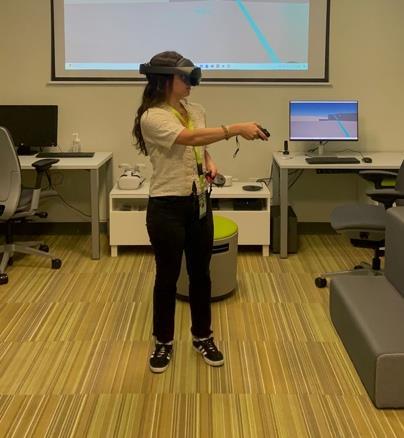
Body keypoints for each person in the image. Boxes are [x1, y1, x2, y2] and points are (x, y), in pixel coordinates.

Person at [132, 50, 268, 373]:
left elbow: (198, 146)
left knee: (201, 275)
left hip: (198, 203)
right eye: (185, 77)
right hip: (167, 206)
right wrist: (236, 128)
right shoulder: (152, 117)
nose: (191, 83)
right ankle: (163, 341)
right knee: (167, 277)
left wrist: (208, 161)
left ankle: (202, 336)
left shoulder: (196, 110)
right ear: (165, 80)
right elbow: (188, 138)